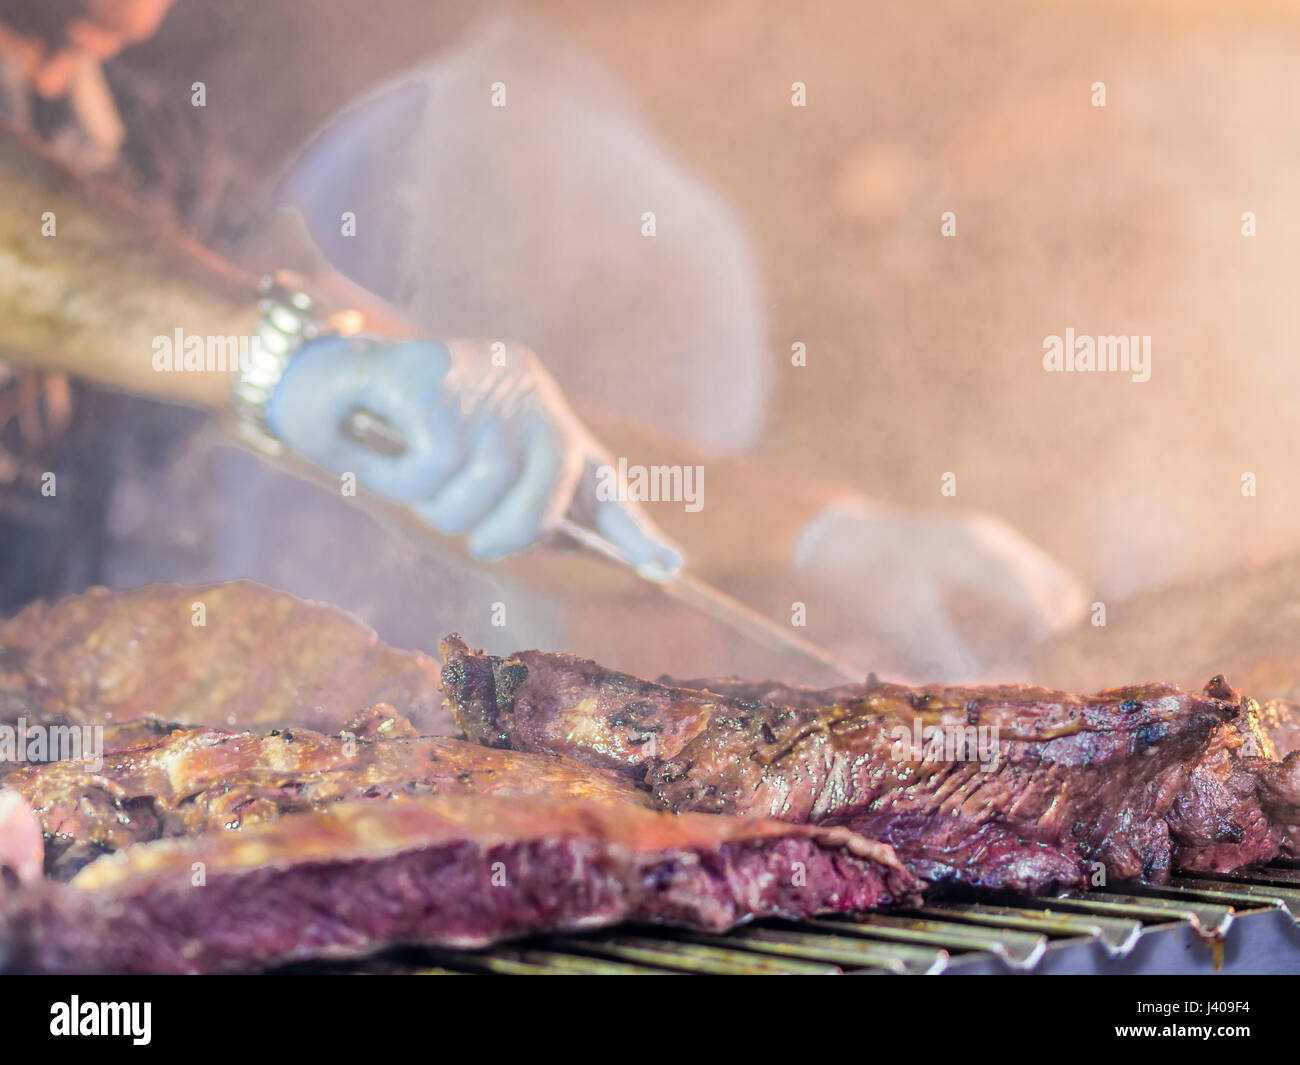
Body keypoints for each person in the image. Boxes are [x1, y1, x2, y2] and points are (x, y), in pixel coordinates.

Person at [0, 4, 1086, 680]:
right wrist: (280, 358)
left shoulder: (158, 146)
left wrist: (829, 536)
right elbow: (262, 341)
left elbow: (451, 436)